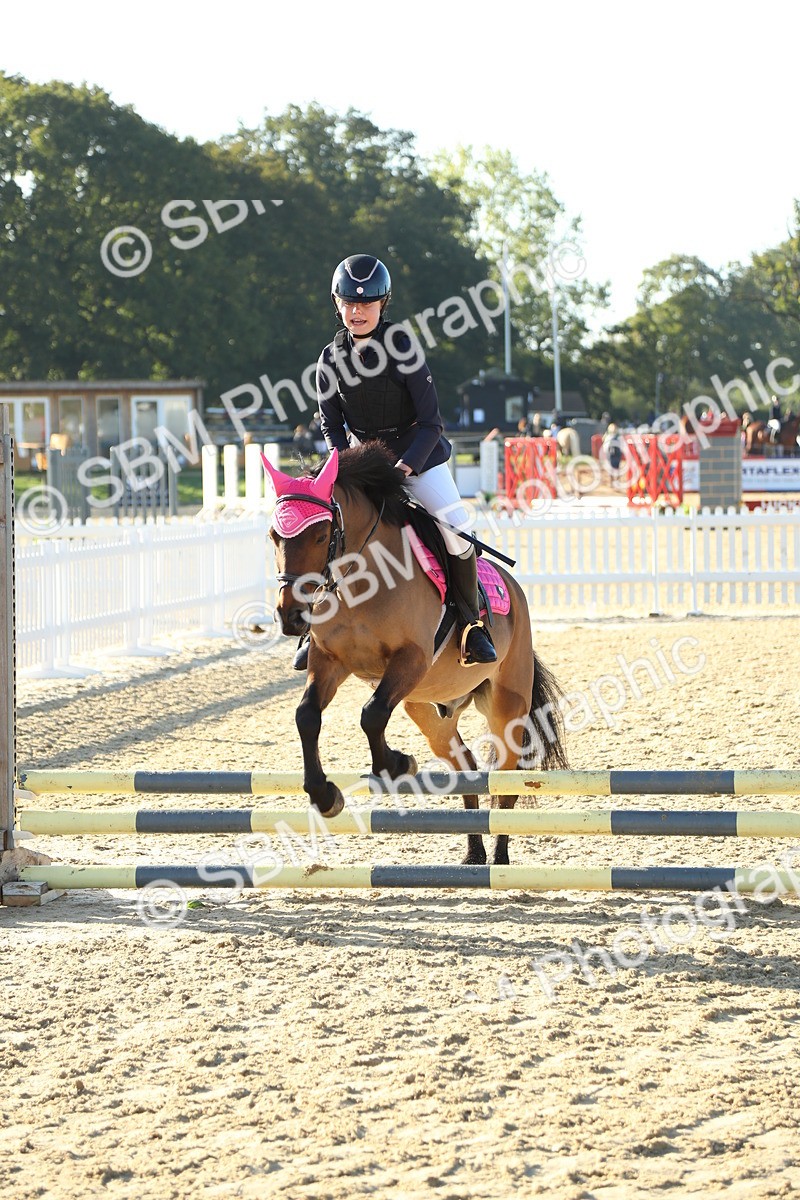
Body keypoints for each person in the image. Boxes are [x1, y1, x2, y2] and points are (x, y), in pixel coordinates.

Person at [291, 253, 497, 672]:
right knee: (327, 529)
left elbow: (432, 423)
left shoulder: (403, 347)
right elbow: (331, 425)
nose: (357, 311)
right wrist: (342, 466)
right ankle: (311, 627)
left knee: (456, 529)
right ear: (337, 304)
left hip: (416, 459)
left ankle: (471, 625)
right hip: (361, 465)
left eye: (366, 303)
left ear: (382, 304)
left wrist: (404, 468)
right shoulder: (329, 359)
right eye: (349, 303)